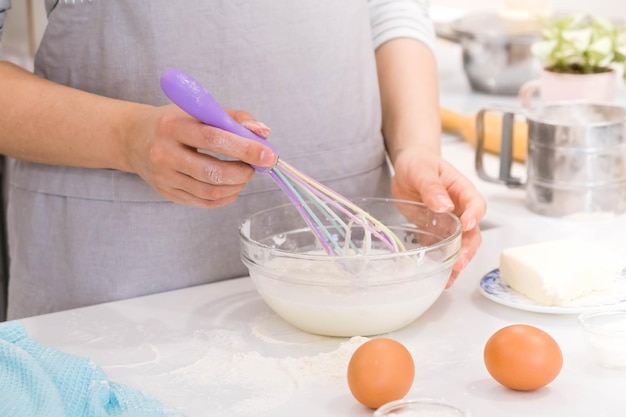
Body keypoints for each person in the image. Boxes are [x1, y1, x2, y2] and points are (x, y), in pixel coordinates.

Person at [0, 0, 486, 320]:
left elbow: (388, 10)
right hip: (122, 282)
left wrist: (414, 149)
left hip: (352, 270)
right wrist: (124, 137)